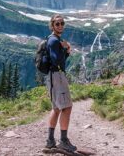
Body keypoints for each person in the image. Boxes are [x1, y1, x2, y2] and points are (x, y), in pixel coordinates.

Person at [45, 14, 77, 152]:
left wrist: (67, 51)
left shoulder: (55, 40)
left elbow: (61, 58)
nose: (60, 26)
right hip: (57, 76)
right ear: (52, 25)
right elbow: (56, 60)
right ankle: (63, 140)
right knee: (67, 107)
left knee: (57, 108)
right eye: (57, 24)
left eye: (62, 23)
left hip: (53, 76)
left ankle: (50, 140)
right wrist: (64, 48)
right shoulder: (54, 41)